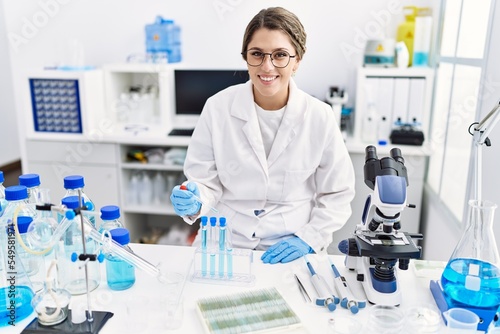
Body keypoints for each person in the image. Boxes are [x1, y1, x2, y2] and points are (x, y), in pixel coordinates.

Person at [170, 7, 355, 264]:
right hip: (225, 240)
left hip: (291, 243)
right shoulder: (218, 107)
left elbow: (337, 193)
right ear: (246, 57)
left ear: (297, 60)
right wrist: (195, 197)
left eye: (280, 55)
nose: (267, 66)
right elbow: (205, 181)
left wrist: (308, 239)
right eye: (257, 54)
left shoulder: (319, 116)